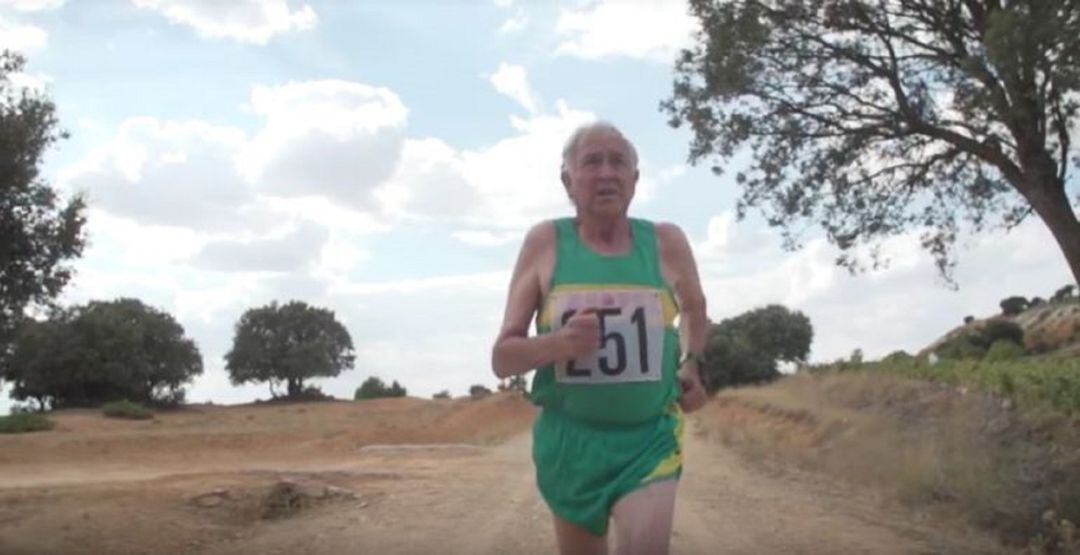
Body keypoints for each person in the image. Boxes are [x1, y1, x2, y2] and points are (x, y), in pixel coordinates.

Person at [491, 121, 709, 555]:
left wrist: (692, 362)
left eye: (619, 162)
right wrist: (559, 344)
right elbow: (503, 359)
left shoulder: (666, 242)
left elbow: (695, 309)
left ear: (634, 179)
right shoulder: (546, 243)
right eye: (592, 162)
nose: (607, 172)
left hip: (650, 438)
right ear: (568, 180)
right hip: (572, 445)